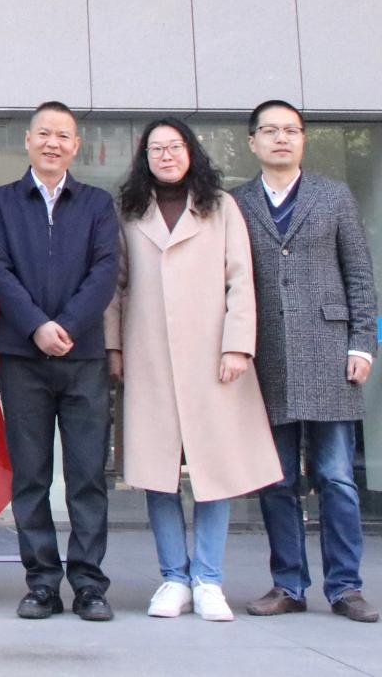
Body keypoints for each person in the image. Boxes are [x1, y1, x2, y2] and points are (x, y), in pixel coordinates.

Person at [104, 118, 282, 622]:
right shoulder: (129, 210)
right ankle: (173, 579)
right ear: (144, 158)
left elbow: (240, 279)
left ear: (191, 152)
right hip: (148, 353)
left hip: (212, 355)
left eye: (174, 146)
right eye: (155, 148)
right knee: (156, 470)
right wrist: (113, 346)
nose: (166, 155)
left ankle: (208, 579)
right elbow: (116, 284)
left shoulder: (221, 207)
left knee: (214, 468)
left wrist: (237, 347)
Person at [233, 100, 379, 623]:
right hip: (266, 356)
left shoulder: (333, 196)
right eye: (270, 130)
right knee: (276, 481)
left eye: (291, 130)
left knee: (336, 477)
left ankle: (346, 587)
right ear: (252, 141)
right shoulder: (236, 203)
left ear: (303, 139)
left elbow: (359, 274)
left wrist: (362, 344)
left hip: (329, 352)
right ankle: (288, 584)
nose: (281, 138)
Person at [0, 101, 119, 621]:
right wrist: (37, 326)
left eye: (63, 135)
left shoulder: (97, 203)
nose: (52, 143)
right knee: (30, 475)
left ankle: (88, 584)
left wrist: (69, 326)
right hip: (22, 356)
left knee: (87, 475)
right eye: (44, 133)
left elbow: (105, 271)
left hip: (84, 357)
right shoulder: (0, 202)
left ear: (76, 145)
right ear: (28, 141)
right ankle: (41, 582)